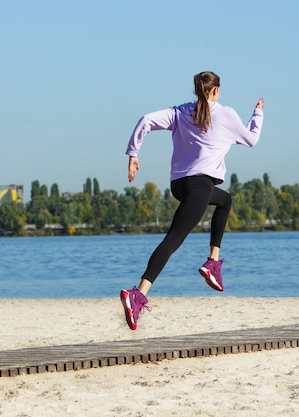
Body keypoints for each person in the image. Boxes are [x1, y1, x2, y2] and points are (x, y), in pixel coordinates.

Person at [120, 71, 264, 330]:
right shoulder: (226, 114)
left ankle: (213, 262)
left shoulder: (180, 112)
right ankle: (138, 293)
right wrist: (258, 115)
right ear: (216, 90)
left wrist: (133, 153)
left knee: (225, 201)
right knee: (172, 240)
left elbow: (146, 120)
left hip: (180, 185)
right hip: (200, 186)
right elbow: (251, 140)